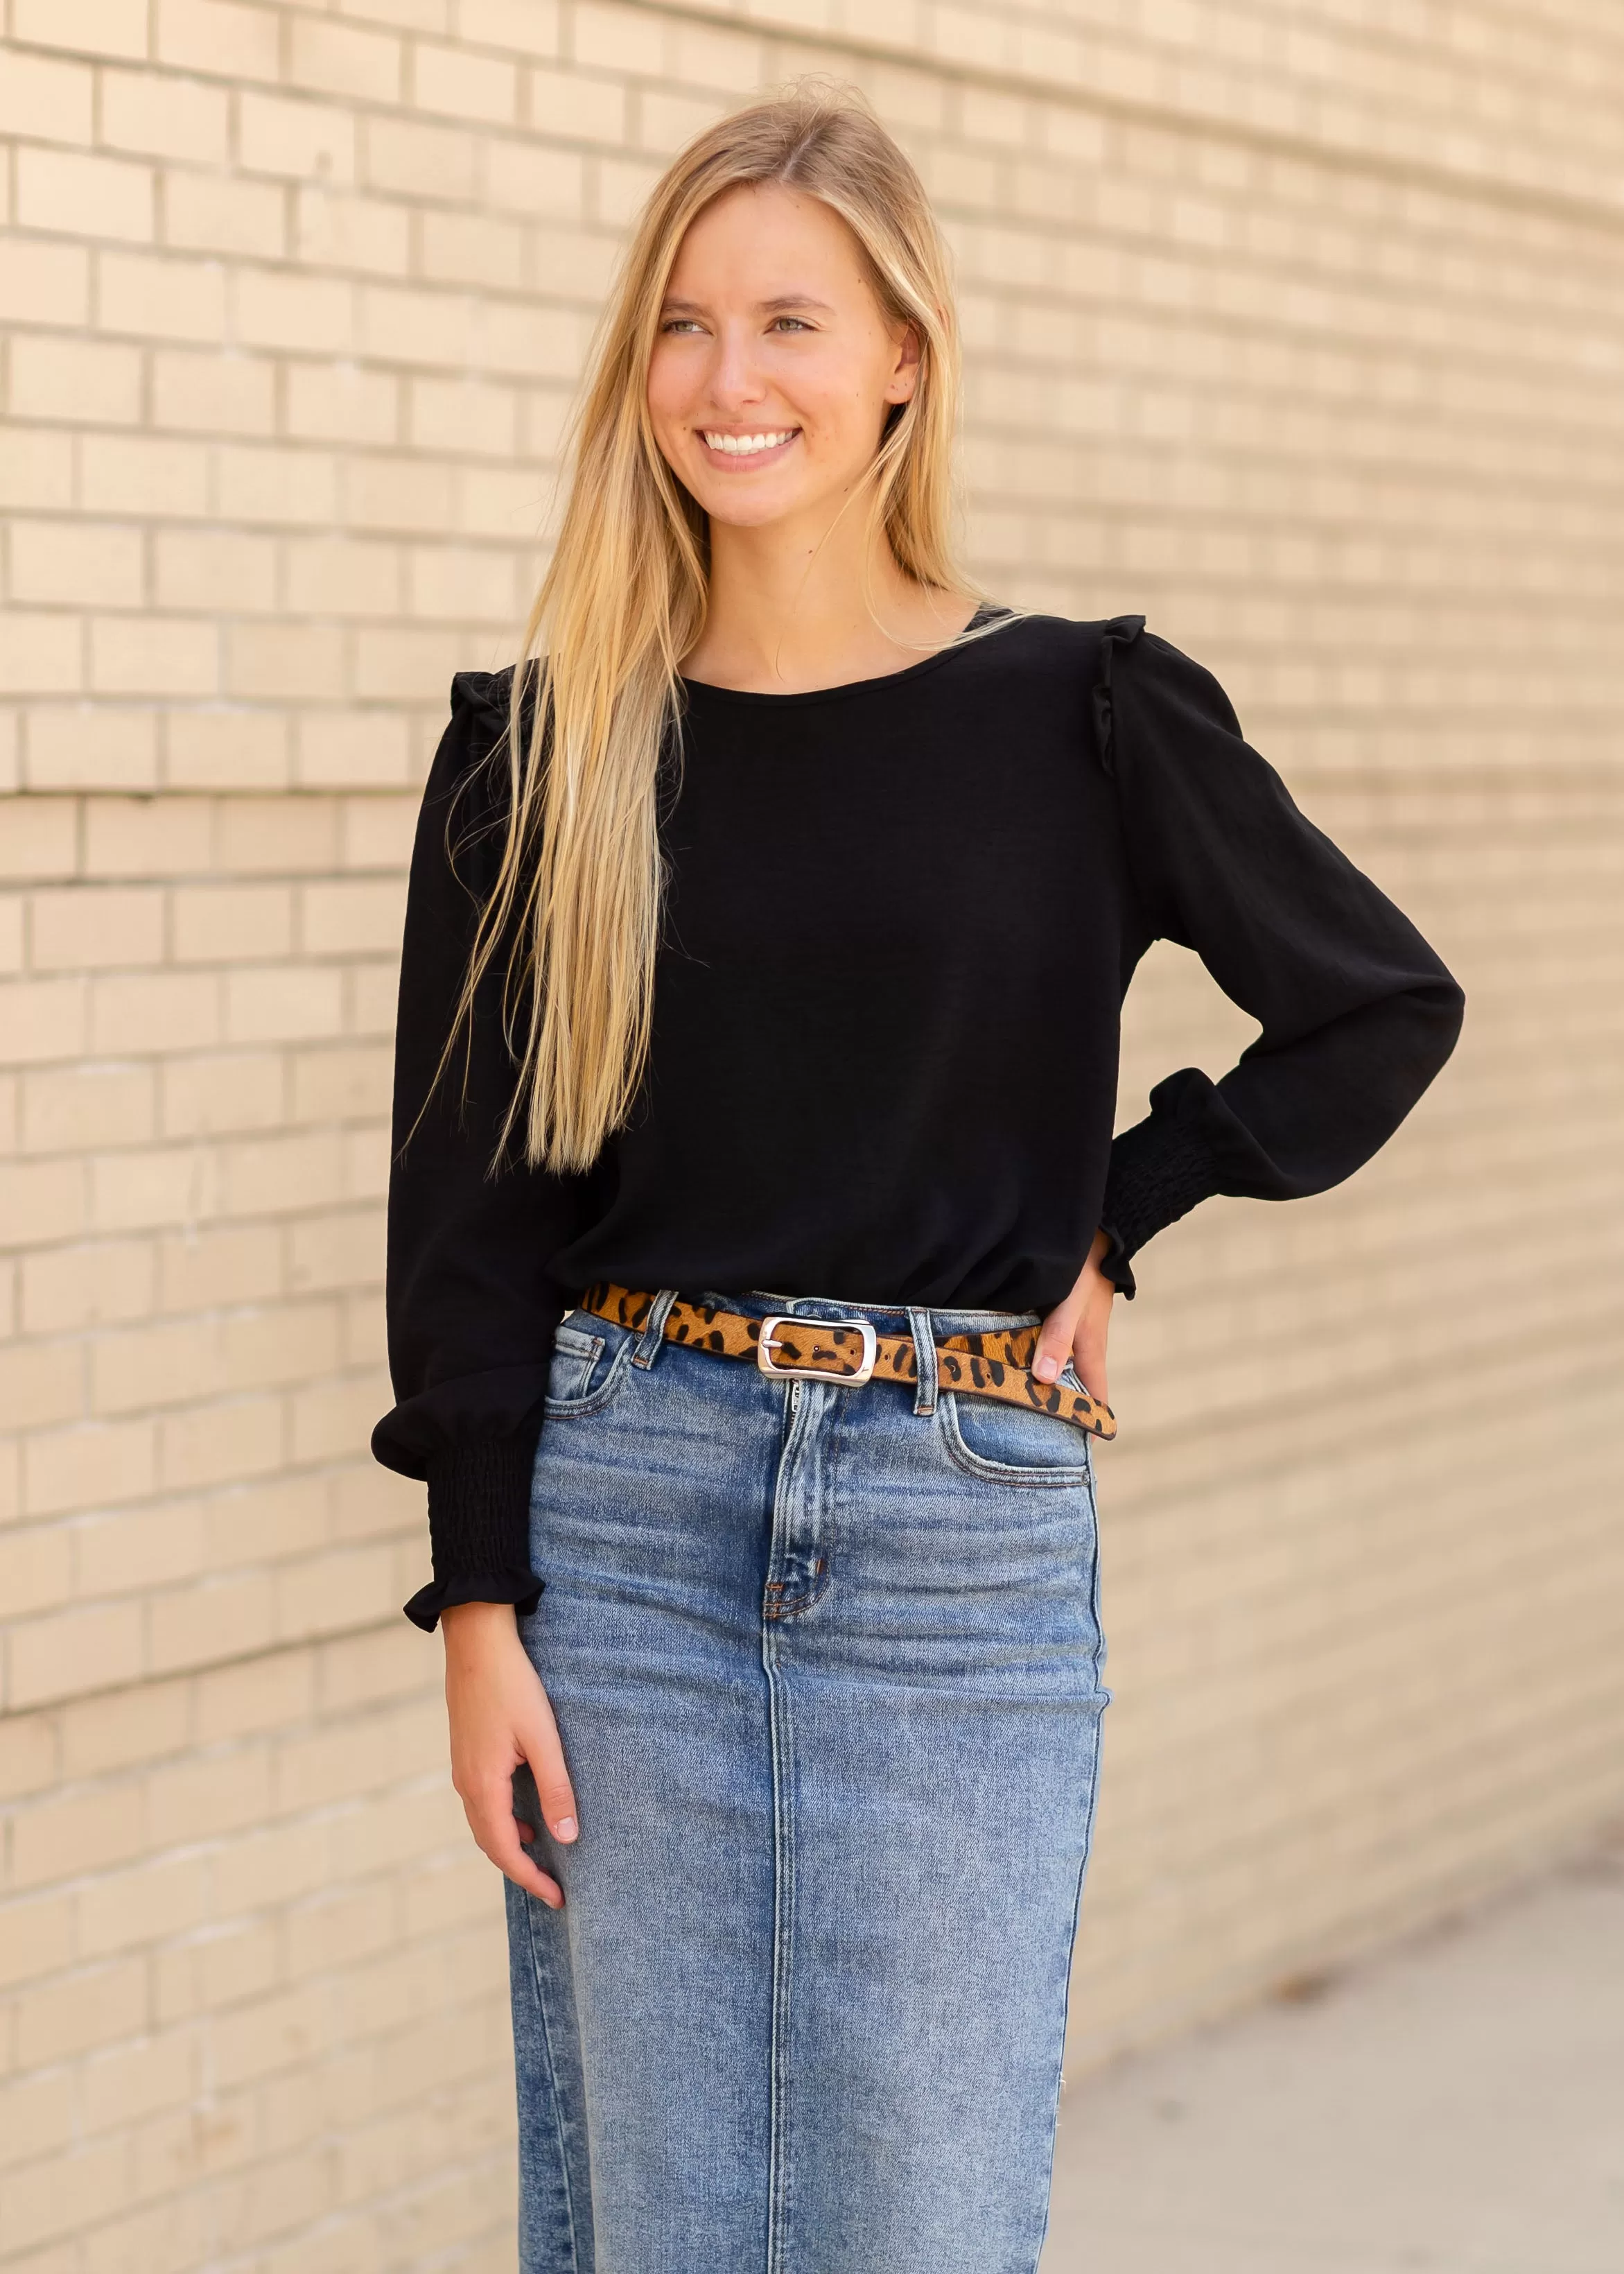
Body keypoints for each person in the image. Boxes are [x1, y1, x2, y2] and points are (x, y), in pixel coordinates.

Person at [370, 80, 1465, 2274]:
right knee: (671, 2221)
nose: (726, 380)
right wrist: (480, 1608)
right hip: (626, 1530)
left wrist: (1126, 1205)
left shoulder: (1079, 713)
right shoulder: (548, 746)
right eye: (681, 326)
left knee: (922, 2225)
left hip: (955, 1541)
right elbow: (470, 1218)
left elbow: (1375, 1005)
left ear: (901, 361)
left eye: (790, 320)